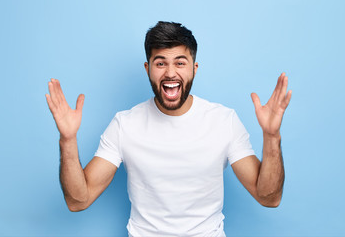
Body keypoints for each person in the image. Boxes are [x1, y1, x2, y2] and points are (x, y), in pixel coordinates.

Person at [46, 21, 292, 237]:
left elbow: (269, 198)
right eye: (160, 63)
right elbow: (79, 200)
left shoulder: (223, 121)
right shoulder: (125, 124)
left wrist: (272, 136)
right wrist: (67, 139)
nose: (171, 72)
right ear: (148, 69)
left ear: (194, 68)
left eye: (180, 63)